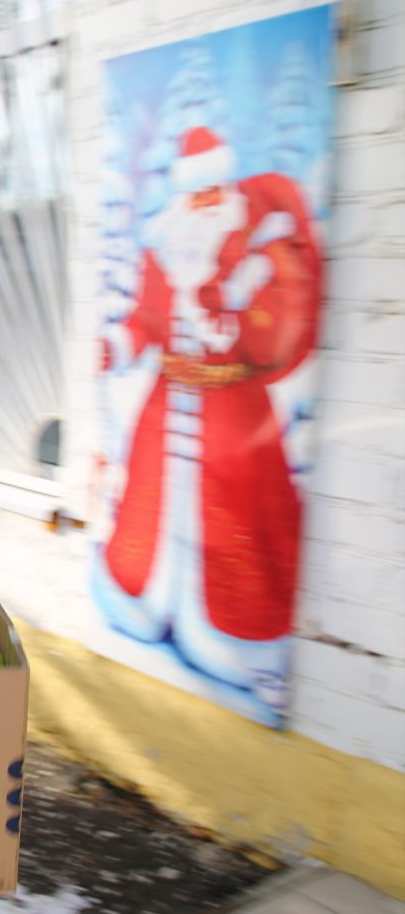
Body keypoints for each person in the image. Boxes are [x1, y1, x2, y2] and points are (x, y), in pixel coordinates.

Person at [92, 125, 322, 727]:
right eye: (195, 195)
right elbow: (146, 320)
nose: (205, 205)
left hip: (232, 421)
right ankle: (156, 606)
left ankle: (230, 641)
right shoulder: (163, 253)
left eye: (214, 191)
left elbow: (274, 335)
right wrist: (119, 342)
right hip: (167, 413)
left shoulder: (254, 255)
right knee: (158, 516)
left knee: (234, 528)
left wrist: (237, 300)